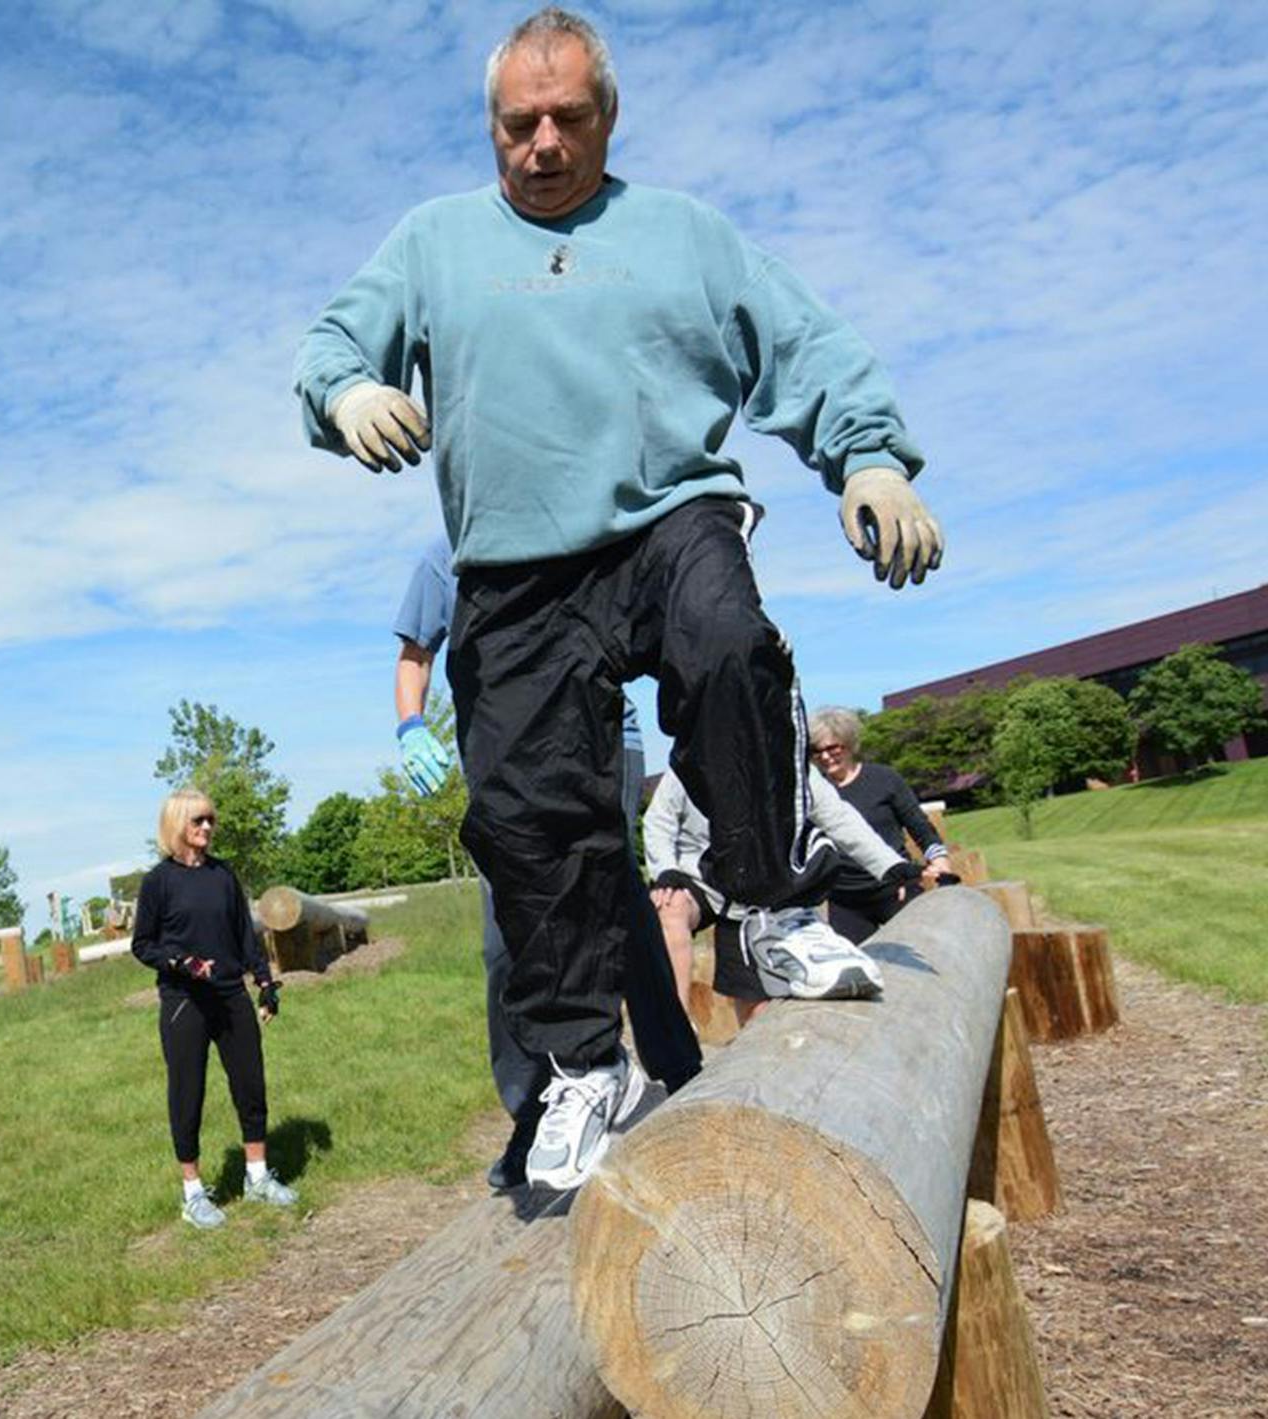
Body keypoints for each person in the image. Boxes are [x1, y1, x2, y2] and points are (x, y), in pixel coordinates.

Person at [295, 7, 943, 1190]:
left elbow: (798, 343)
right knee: (530, 817)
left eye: (568, 119)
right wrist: (344, 396)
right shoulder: (434, 241)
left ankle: (768, 914)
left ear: (608, 117)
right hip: (513, 569)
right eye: (517, 124)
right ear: (490, 126)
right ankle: (586, 1065)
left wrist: (870, 457)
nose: (541, 144)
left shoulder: (683, 235)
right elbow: (334, 342)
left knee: (730, 645)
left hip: (666, 520)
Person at [394, 537, 699, 1190]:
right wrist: (410, 725)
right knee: (507, 937)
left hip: (600, 737)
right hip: (503, 758)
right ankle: (533, 1109)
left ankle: (676, 1068)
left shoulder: (564, 520)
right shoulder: (442, 556)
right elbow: (414, 655)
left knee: (611, 899)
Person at [130, 788, 295, 1228]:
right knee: (188, 1094)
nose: (206, 827)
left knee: (250, 1084)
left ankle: (257, 1177)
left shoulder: (223, 876)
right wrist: (180, 962)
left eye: (210, 820)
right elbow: (142, 944)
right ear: (177, 825)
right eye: (197, 820)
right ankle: (193, 1194)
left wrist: (265, 983)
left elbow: (246, 936)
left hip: (229, 997)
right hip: (185, 1003)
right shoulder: (158, 882)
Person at [645, 765, 920, 1022]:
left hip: (760, 884)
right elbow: (659, 820)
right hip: (699, 875)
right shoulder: (690, 757)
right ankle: (676, 1022)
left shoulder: (791, 755)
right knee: (669, 905)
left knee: (758, 1007)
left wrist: (888, 864)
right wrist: (665, 870)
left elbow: (836, 816)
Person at [807, 706, 955, 943]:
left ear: (849, 744)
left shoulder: (884, 779)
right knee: (859, 971)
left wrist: (939, 860)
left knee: (923, 950)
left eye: (833, 748)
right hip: (846, 900)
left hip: (895, 889)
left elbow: (919, 827)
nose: (825, 757)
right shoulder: (812, 797)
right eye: (816, 751)